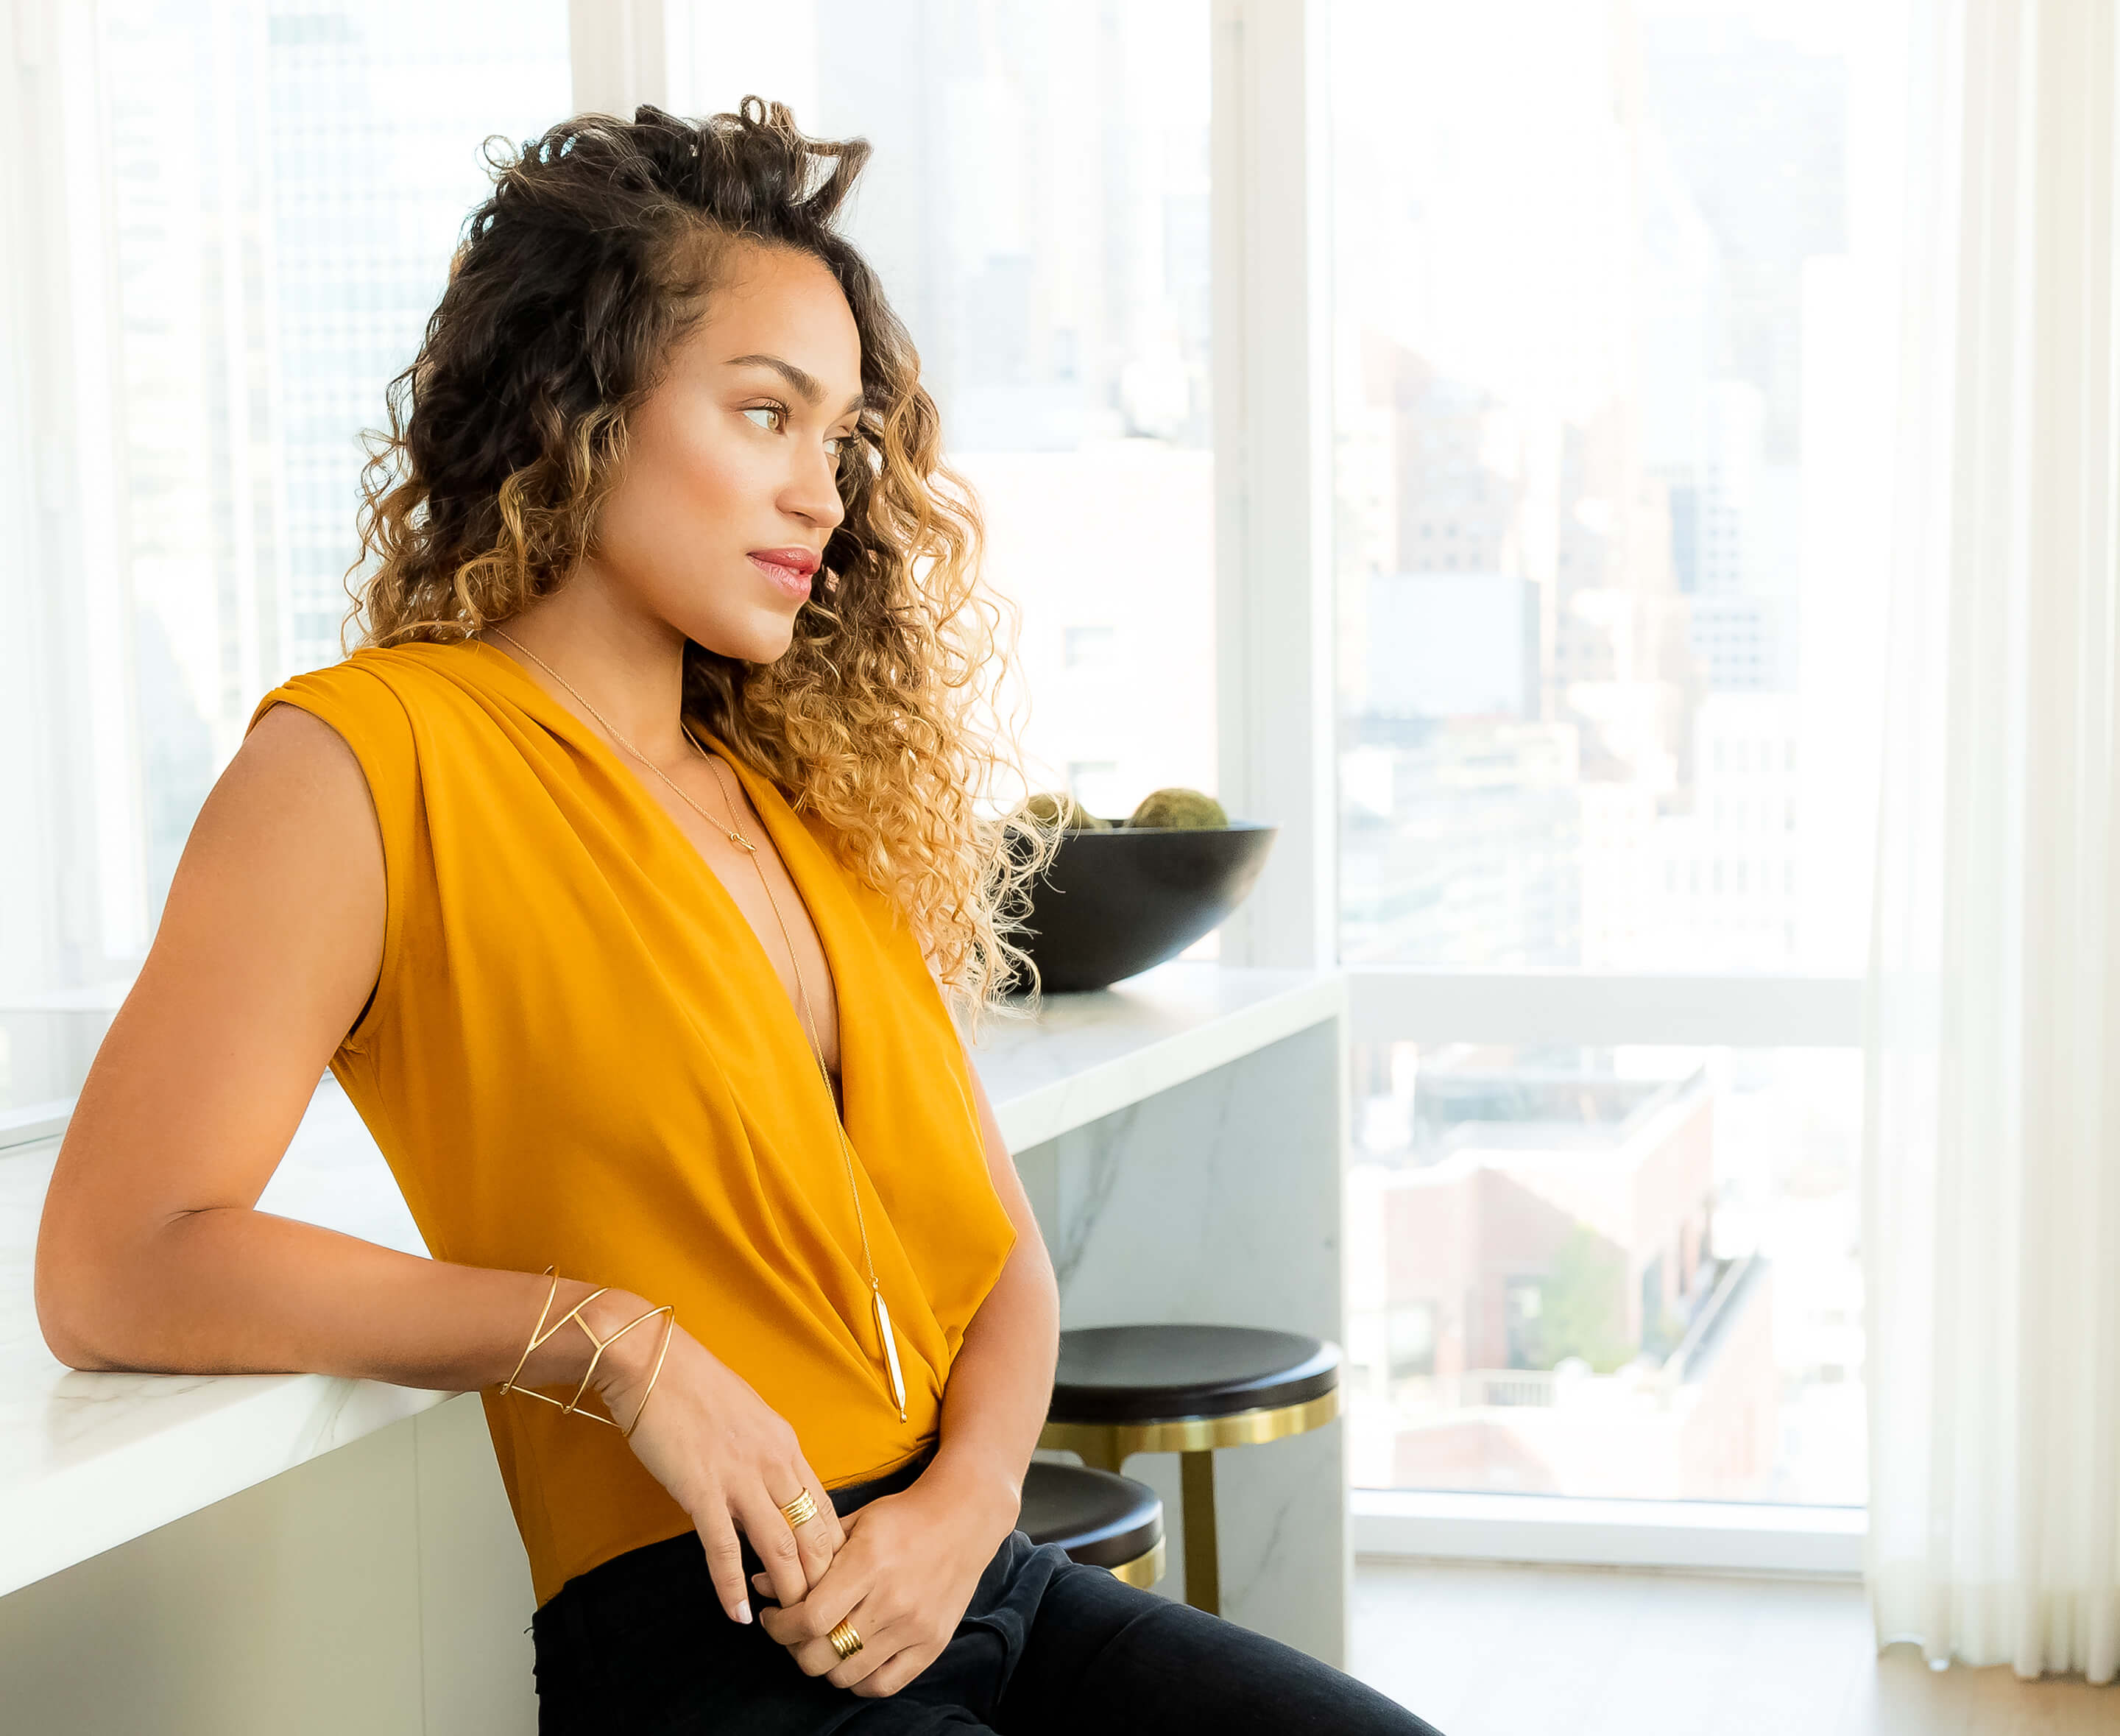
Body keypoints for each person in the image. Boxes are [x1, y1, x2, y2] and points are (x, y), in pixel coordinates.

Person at [34, 98, 1444, 1735]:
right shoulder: (367, 762)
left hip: (972, 1577)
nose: (821, 492)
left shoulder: (807, 801)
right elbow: (114, 1263)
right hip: (704, 1634)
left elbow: (1001, 1265)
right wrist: (611, 1345)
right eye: (765, 412)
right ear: (577, 407)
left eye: (839, 440)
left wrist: (968, 1505)